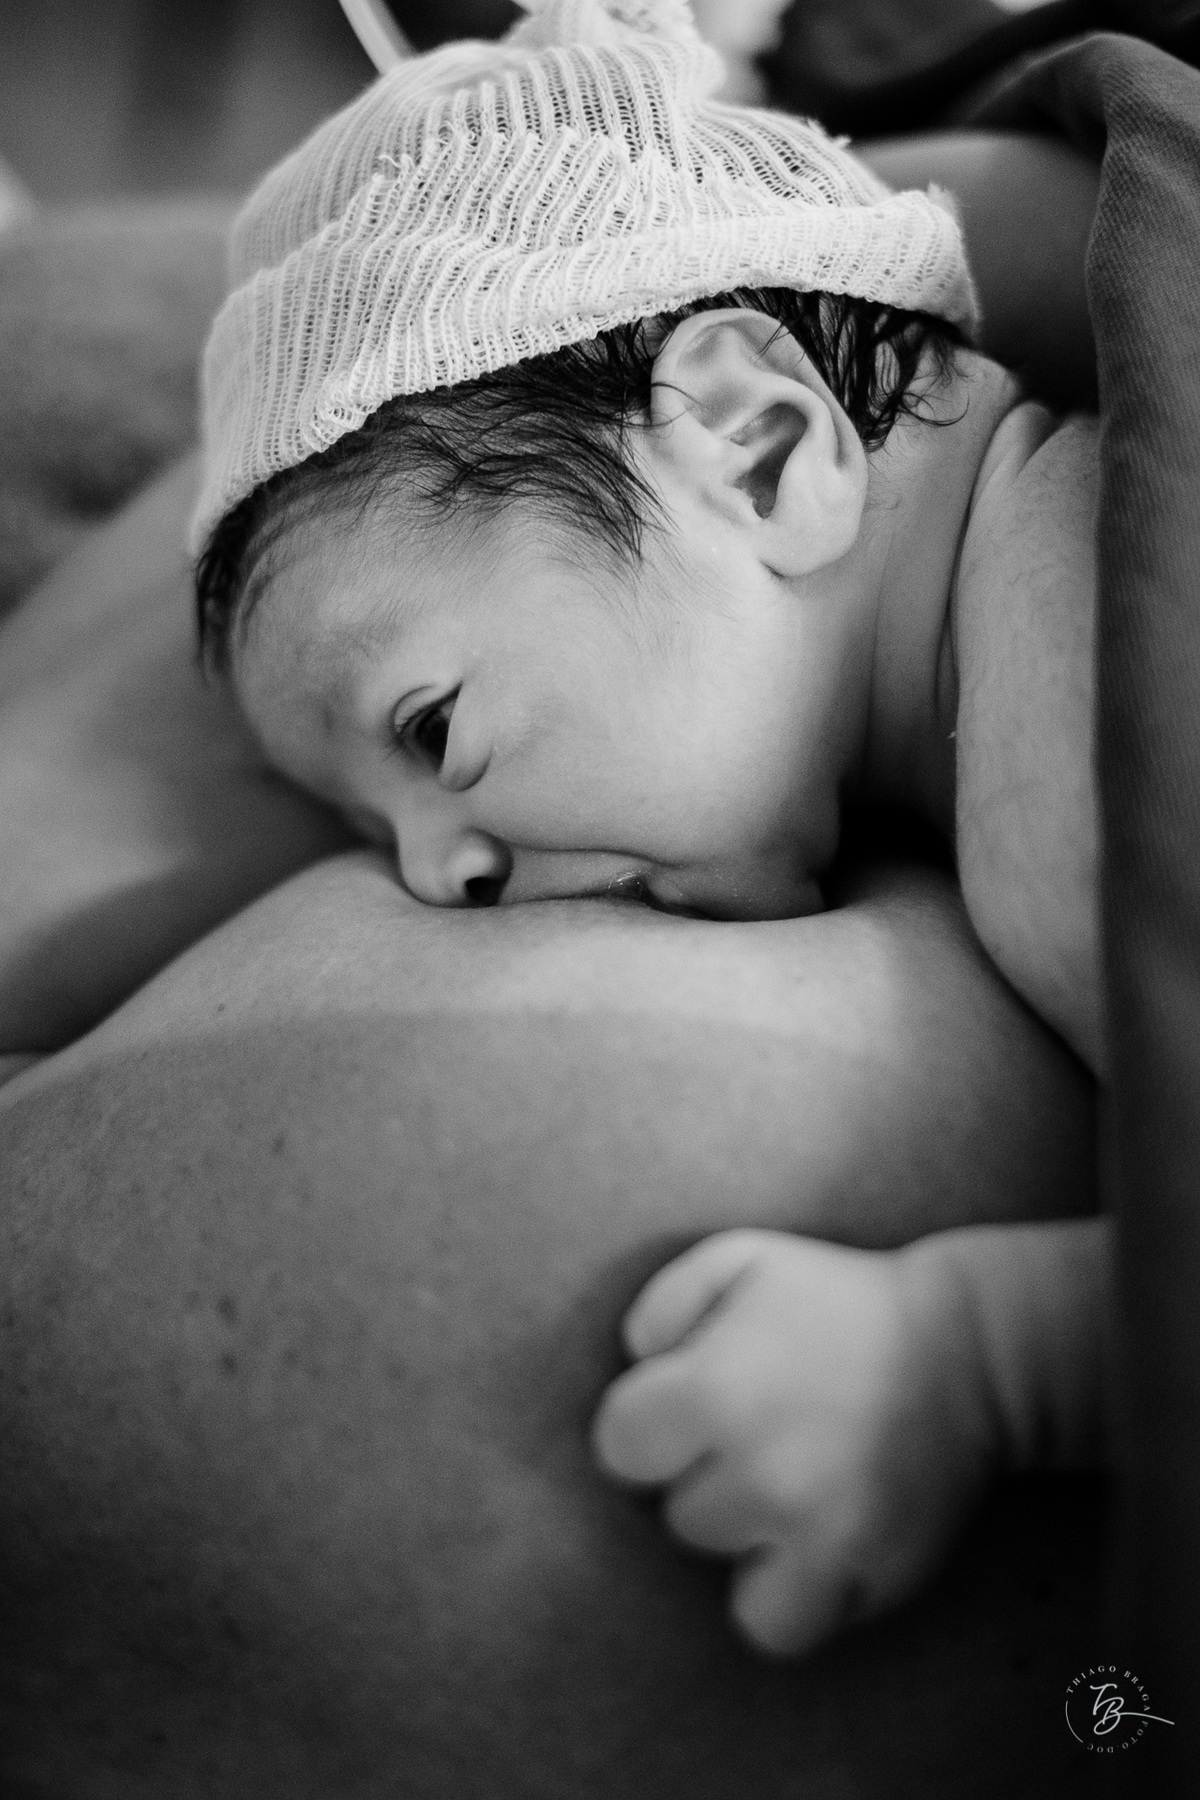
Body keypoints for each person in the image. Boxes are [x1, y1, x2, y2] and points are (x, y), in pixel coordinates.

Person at [184, 0, 1109, 1660]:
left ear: (757, 451)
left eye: (429, 730)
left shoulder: (1082, 717)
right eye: (372, 828)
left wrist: (981, 1358)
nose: (436, 876)